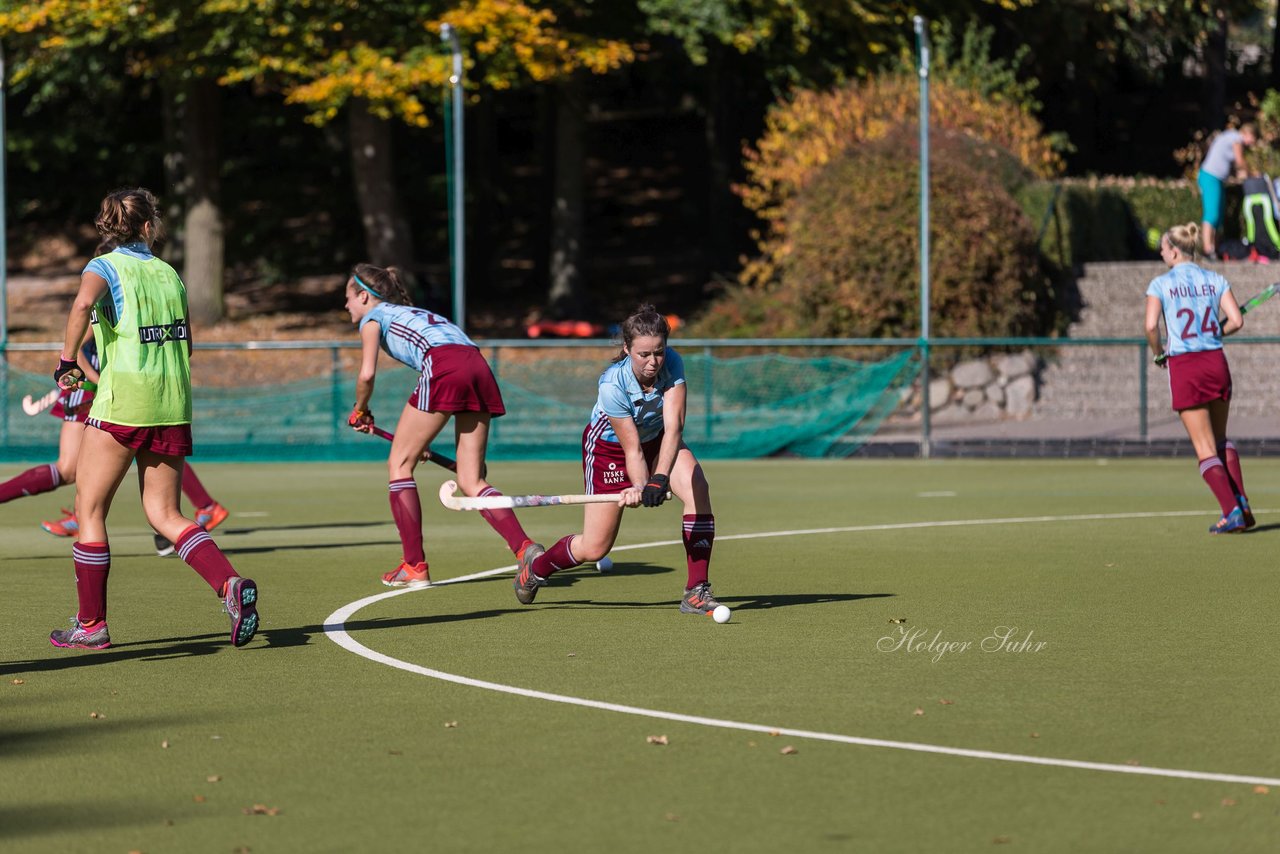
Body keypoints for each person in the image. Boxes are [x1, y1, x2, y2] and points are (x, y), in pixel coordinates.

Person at [47, 187, 258, 650]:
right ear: (149, 226)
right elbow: (185, 341)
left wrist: (66, 362)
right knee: (166, 514)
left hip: (123, 404)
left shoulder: (103, 266)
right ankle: (229, 585)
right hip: (172, 404)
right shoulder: (170, 274)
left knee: (89, 510)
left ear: (107, 227)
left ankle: (91, 625)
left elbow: (82, 305)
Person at [512, 305, 723, 615]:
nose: (653, 362)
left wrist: (658, 479)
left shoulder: (673, 363)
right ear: (627, 349)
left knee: (697, 487)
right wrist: (640, 485)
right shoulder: (613, 384)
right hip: (608, 450)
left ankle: (696, 591)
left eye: (659, 352)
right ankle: (537, 568)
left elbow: (674, 428)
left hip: (661, 439)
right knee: (595, 547)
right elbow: (632, 450)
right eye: (644, 354)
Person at [342, 263, 542, 586]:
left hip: (444, 365)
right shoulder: (413, 313)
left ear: (364, 297)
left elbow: (366, 374)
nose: (346, 305)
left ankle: (414, 566)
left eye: (348, 298)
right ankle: (525, 549)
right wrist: (418, 440)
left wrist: (360, 410)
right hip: (477, 364)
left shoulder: (372, 319)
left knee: (399, 464)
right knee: (472, 479)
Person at [1146, 222, 1253, 533]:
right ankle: (1242, 503)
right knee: (1221, 440)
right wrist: (1214, 332)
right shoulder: (1215, 278)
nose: (1162, 253)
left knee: (1205, 448)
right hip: (1216, 362)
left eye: (1163, 249)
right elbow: (1236, 321)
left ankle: (1231, 511)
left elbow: (1151, 327)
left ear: (1175, 251)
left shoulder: (1160, 284)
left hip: (1186, 366)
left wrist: (1158, 353)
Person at [1198, 123, 1257, 257]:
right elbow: (1240, 161)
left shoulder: (1231, 136)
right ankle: (1208, 249)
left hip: (1216, 179)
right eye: (1253, 138)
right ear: (1247, 133)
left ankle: (1216, 248)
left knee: (1218, 215)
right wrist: (1252, 174)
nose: (1252, 143)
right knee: (1211, 214)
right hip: (1210, 177)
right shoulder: (1236, 138)